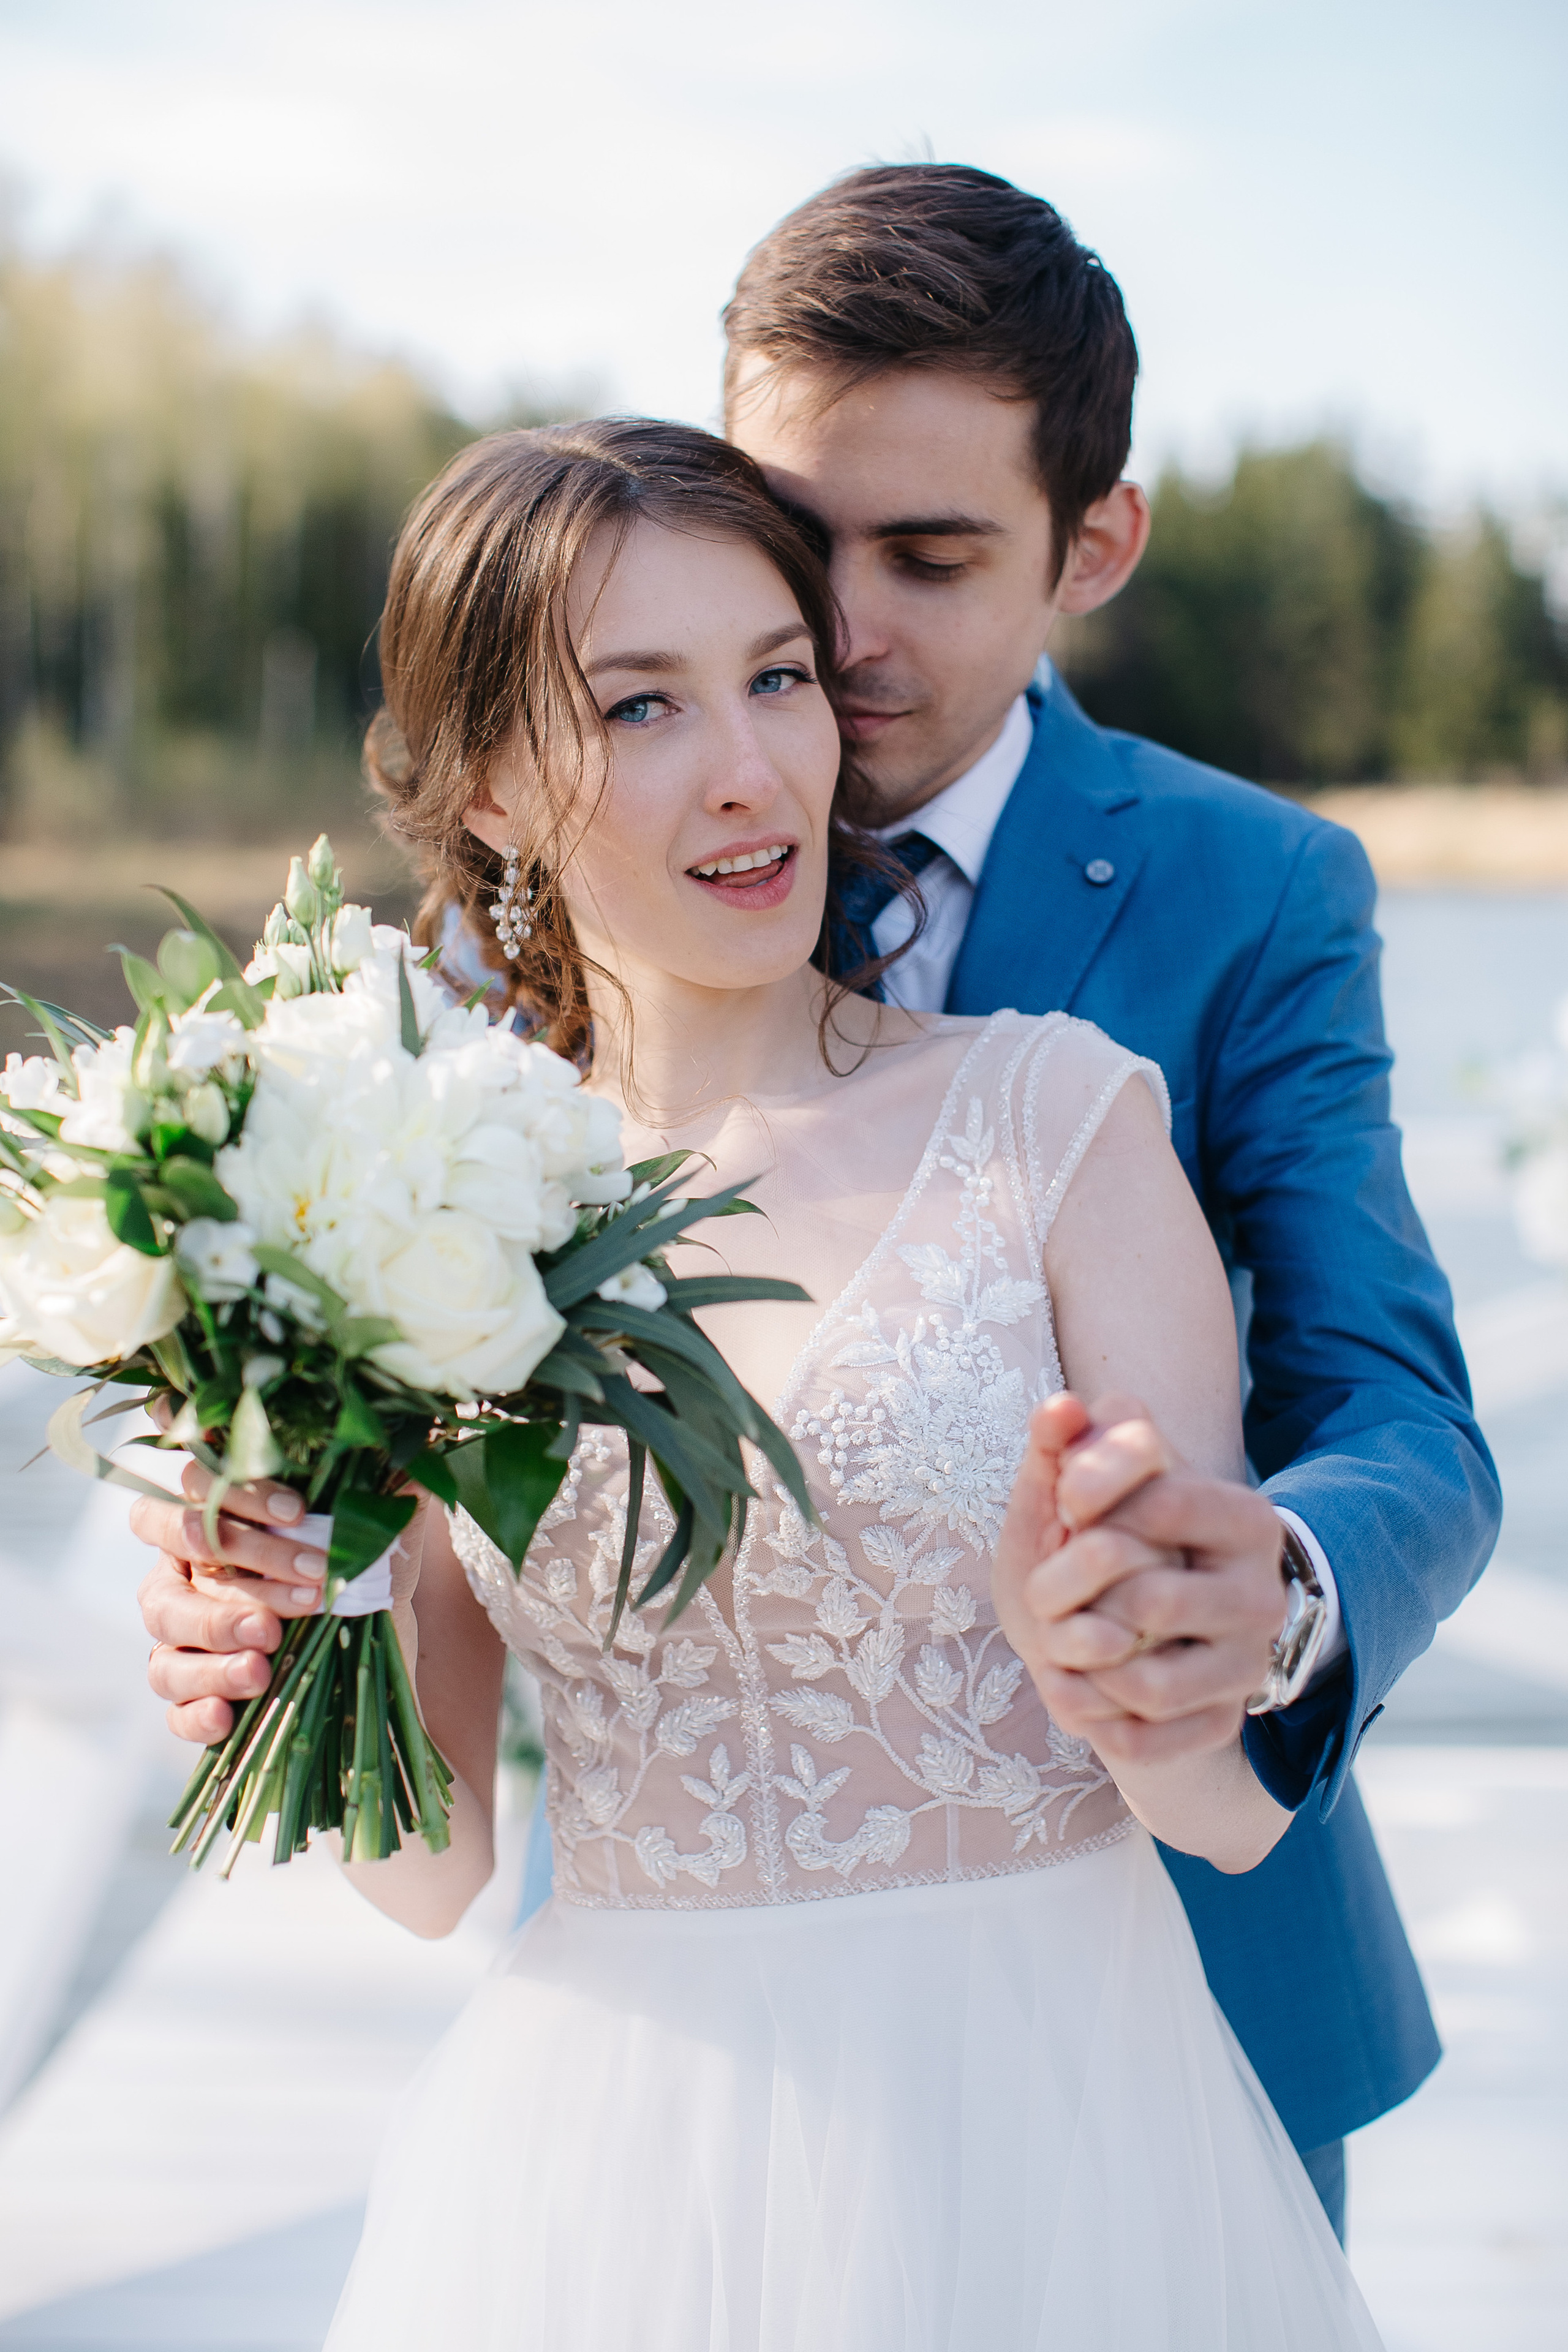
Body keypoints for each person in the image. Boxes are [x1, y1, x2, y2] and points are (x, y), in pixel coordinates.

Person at [134, 166, 1499, 2245]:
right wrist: (276, 1599)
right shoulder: (450, 1074)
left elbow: (1397, 1404)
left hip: (1137, 2054)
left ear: (1092, 544)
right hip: (651, 2103)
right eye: (795, 545)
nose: (837, 655)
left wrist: (1265, 1598)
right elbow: (420, 1794)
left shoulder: (1240, 910)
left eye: (927, 558)